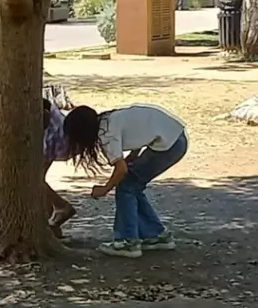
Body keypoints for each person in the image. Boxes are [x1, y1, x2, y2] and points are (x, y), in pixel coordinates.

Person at [63, 103, 188, 258]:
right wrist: (134, 155)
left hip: (170, 145)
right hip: (174, 136)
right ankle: (154, 235)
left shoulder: (105, 134)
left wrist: (105, 189)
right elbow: (141, 129)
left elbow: (121, 170)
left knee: (126, 186)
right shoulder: (109, 119)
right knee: (132, 185)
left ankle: (128, 242)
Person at [0, 74, 77, 236]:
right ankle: (50, 224)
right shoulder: (5, 106)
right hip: (49, 137)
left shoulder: (16, 102)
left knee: (33, 178)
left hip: (51, 137)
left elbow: (43, 111)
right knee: (37, 180)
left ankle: (61, 207)